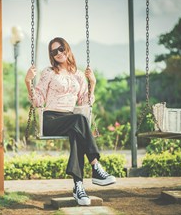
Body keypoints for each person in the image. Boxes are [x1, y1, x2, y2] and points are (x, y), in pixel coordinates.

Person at [25, 37, 116, 206]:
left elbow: (84, 102)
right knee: (79, 120)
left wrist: (93, 83)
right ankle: (96, 166)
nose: (58, 53)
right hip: (51, 120)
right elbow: (38, 101)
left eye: (61, 49)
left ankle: (78, 186)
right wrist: (28, 81)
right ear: (51, 55)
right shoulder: (49, 72)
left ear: (67, 49)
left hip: (70, 120)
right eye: (54, 51)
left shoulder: (79, 75)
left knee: (77, 131)